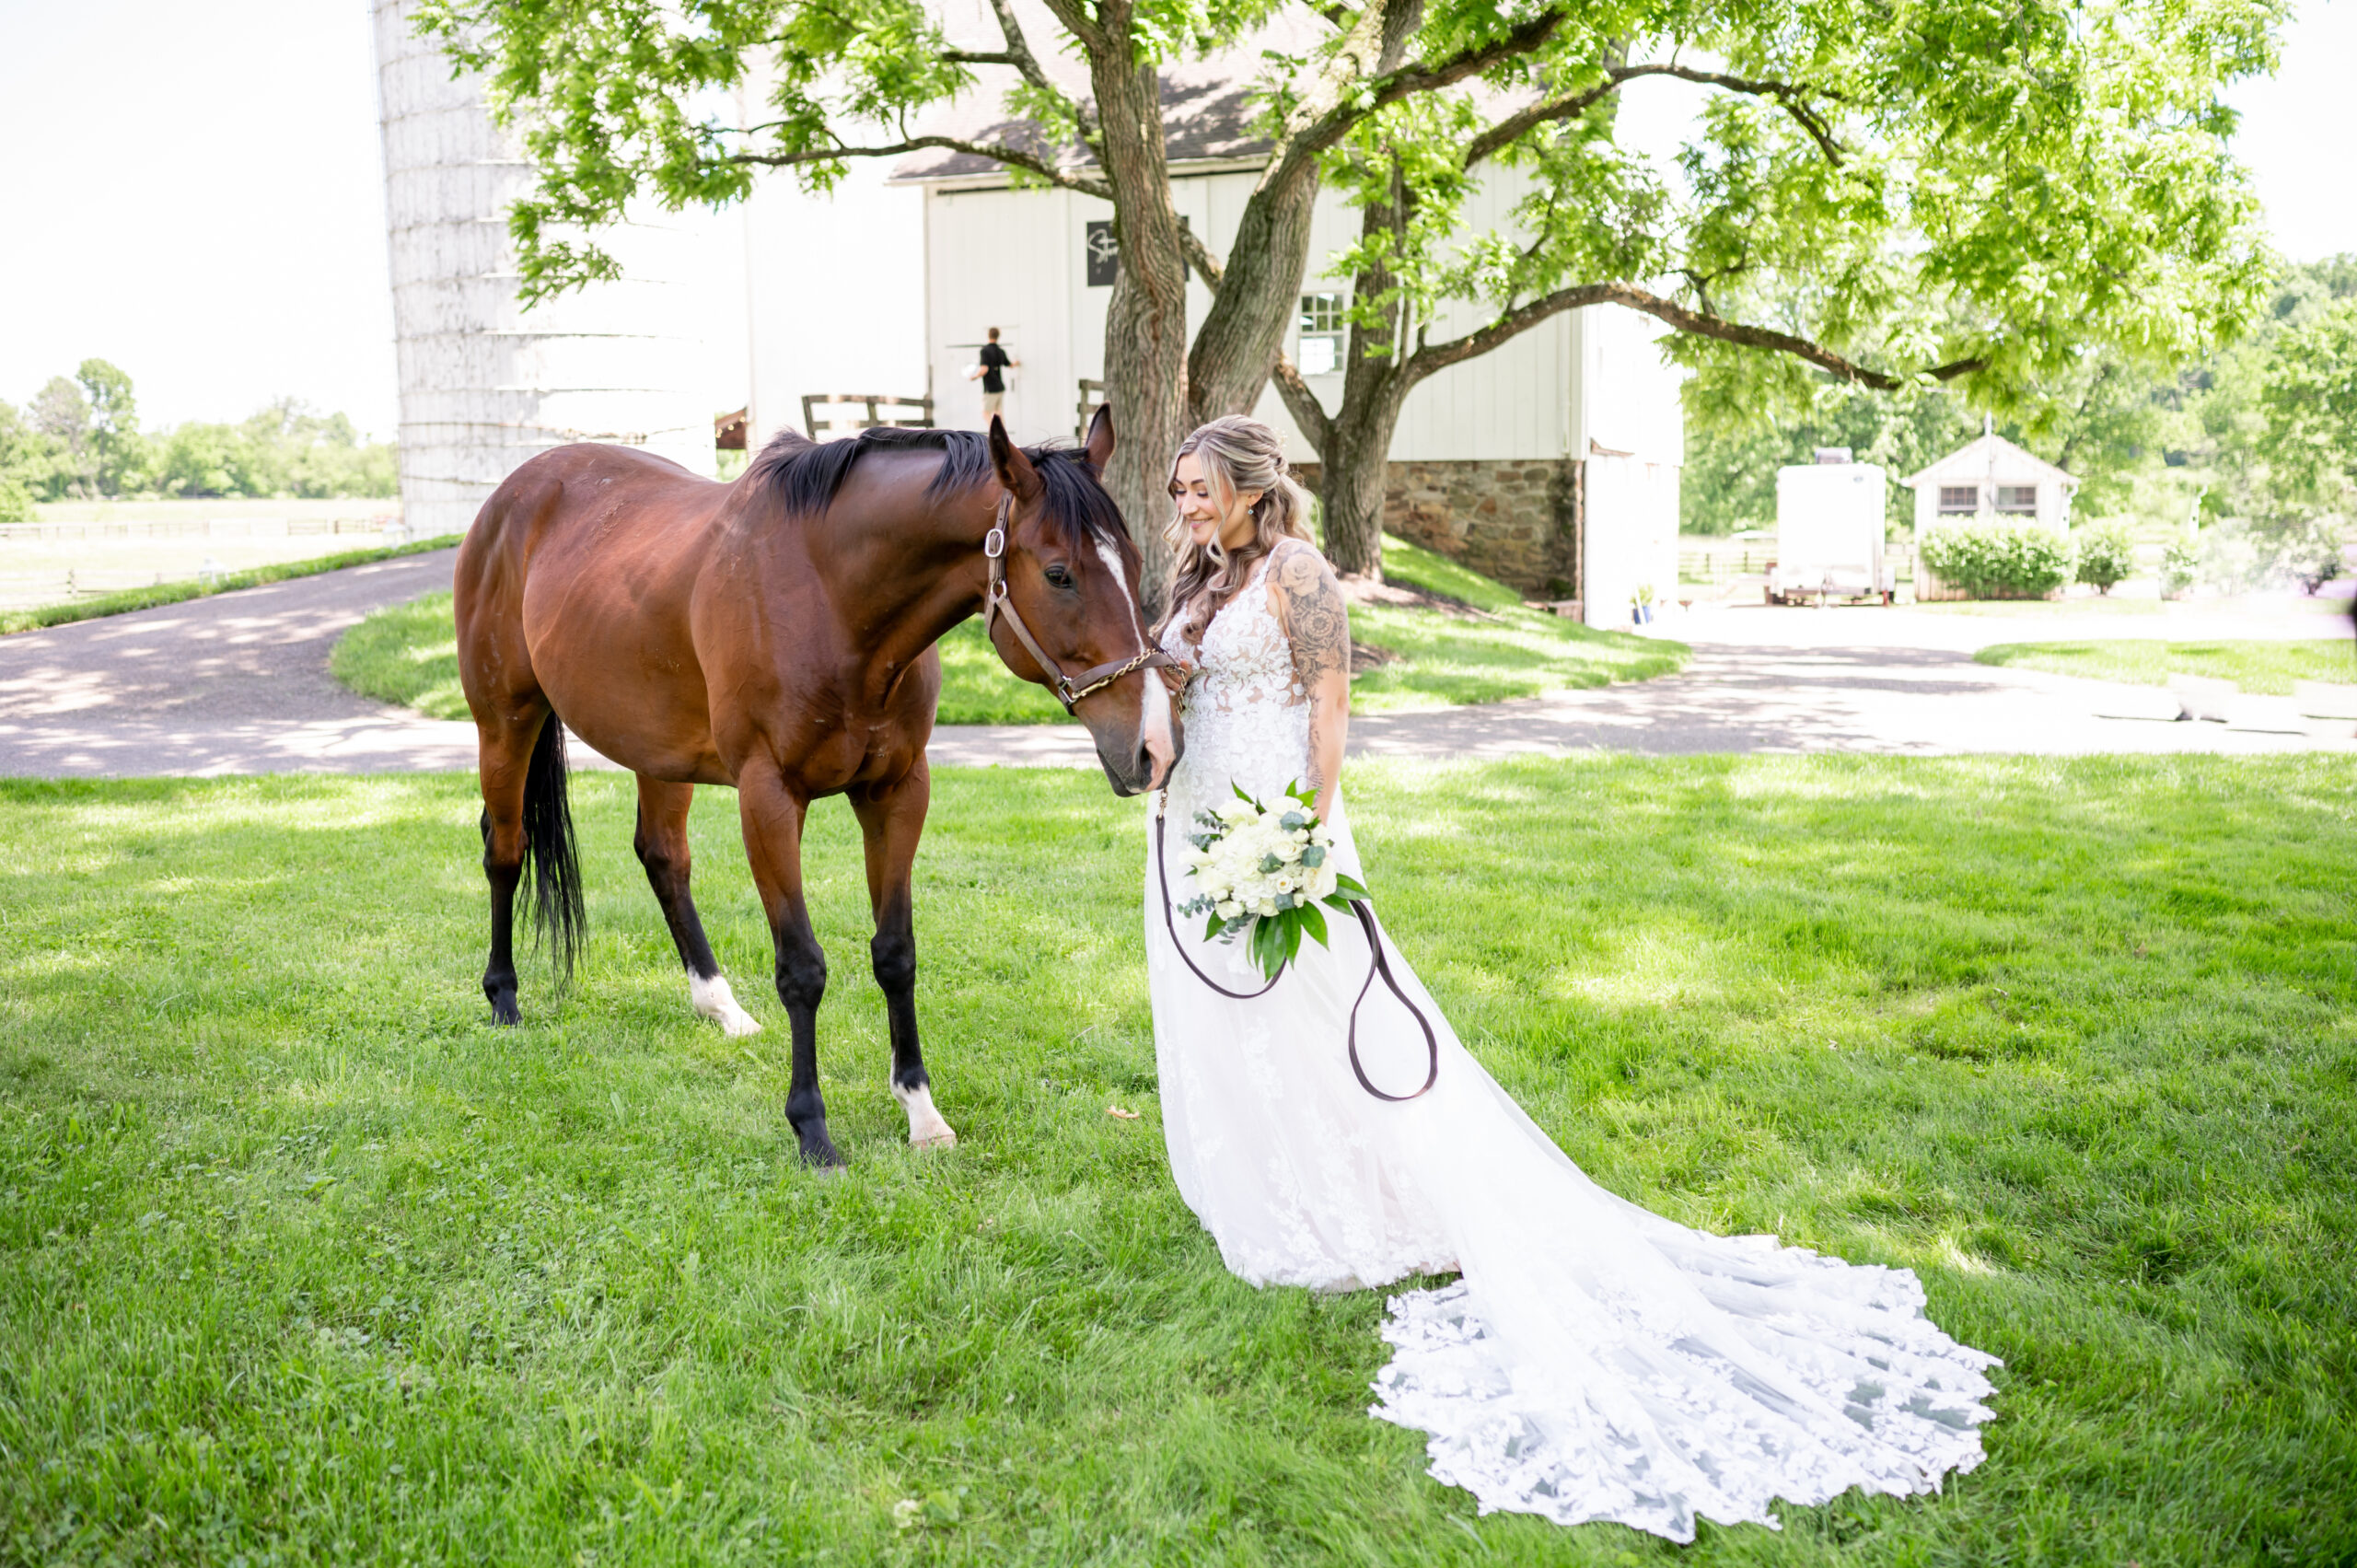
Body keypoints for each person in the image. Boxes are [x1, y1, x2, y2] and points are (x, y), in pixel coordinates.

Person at [1144, 414, 1998, 1542]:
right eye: (1178, 488)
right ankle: (1261, 1175)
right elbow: (1174, 681)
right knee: (1223, 1012)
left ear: (1252, 488)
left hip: (1277, 820)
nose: (1185, 502)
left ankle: (1363, 1193)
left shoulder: (1300, 572)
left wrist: (1307, 829)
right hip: (1192, 812)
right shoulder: (1195, 573)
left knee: (1321, 1008)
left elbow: (1330, 704)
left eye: (1199, 487)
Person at [966, 328, 1016, 422]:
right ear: (998, 336)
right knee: (998, 413)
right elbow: (1010, 365)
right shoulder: (1001, 351)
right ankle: (1002, 435)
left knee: (986, 413)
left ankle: (994, 434)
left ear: (988, 335)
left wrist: (974, 377)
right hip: (1000, 387)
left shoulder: (985, 351)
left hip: (991, 388)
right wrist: (1017, 362)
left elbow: (984, 369)